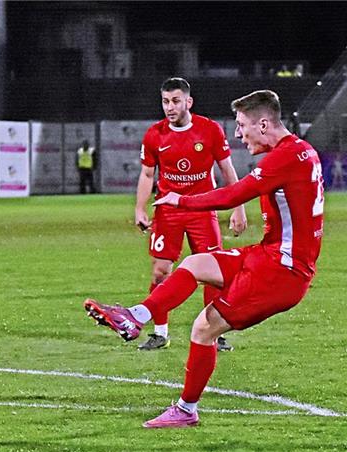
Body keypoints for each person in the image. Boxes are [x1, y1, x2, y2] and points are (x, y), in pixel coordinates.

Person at [84, 89, 324, 428]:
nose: (238, 134)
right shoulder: (302, 151)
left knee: (203, 327)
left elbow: (232, 195)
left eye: (242, 126)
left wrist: (180, 201)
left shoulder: (283, 158)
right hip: (269, 256)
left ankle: (185, 409)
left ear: (264, 123)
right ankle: (134, 316)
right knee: (194, 264)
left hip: (282, 272)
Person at [134, 77, 247, 351]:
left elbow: (228, 171)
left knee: (213, 271)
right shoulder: (154, 135)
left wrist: (238, 208)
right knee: (161, 272)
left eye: (175, 101)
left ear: (188, 101)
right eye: (165, 101)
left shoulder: (209, 130)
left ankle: (215, 333)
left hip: (202, 209)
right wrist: (139, 208)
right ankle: (160, 333)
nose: (169, 107)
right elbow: (148, 174)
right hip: (168, 211)